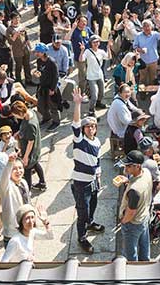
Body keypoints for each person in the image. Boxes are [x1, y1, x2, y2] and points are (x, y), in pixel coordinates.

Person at [69, 87, 105, 254]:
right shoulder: (79, 140)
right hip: (81, 183)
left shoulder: (97, 142)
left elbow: (97, 160)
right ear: (84, 130)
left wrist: (99, 174)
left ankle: (91, 223)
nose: (91, 129)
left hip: (93, 181)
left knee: (93, 204)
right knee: (82, 212)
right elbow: (75, 123)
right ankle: (82, 237)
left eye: (93, 126)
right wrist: (77, 105)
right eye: (88, 127)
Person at [117, 150, 153, 262]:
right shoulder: (146, 172)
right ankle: (145, 264)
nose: (125, 168)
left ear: (137, 166)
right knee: (144, 246)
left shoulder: (134, 190)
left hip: (132, 224)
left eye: (128, 166)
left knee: (130, 253)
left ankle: (134, 272)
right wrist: (128, 180)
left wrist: (123, 221)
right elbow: (140, 183)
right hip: (144, 217)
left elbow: (131, 212)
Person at [11, 101, 45, 191]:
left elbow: (31, 142)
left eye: (16, 115)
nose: (15, 117)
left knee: (27, 171)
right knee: (36, 163)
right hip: (35, 149)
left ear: (21, 113)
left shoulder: (30, 124)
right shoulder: (30, 112)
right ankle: (42, 182)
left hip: (29, 150)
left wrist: (25, 157)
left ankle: (27, 190)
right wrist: (19, 132)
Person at [0, 156, 31, 245]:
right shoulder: (7, 187)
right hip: (12, 231)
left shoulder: (23, 182)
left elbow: (27, 200)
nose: (18, 171)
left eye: (20, 168)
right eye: (14, 169)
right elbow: (4, 178)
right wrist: (9, 163)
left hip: (25, 227)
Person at [32, 43, 61, 130]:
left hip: (51, 87)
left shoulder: (51, 62)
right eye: (36, 52)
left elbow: (56, 76)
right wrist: (37, 74)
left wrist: (52, 89)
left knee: (52, 105)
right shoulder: (39, 61)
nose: (36, 53)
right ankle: (46, 117)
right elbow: (39, 71)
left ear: (43, 52)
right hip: (42, 86)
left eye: (38, 52)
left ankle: (56, 121)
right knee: (41, 105)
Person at [81, 35, 109, 116]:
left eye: (97, 42)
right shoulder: (87, 51)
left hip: (100, 75)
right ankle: (91, 110)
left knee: (102, 93)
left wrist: (109, 48)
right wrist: (82, 50)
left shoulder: (101, 51)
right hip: (91, 77)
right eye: (94, 42)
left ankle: (98, 103)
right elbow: (81, 59)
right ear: (91, 43)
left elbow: (108, 57)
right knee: (94, 96)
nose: (96, 43)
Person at [133, 19, 160, 86]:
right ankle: (142, 95)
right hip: (143, 61)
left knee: (153, 79)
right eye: (145, 26)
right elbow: (135, 47)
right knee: (142, 79)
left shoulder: (155, 34)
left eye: (148, 26)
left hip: (153, 60)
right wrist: (141, 50)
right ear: (142, 27)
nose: (146, 28)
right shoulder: (138, 35)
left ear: (151, 27)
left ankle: (151, 94)